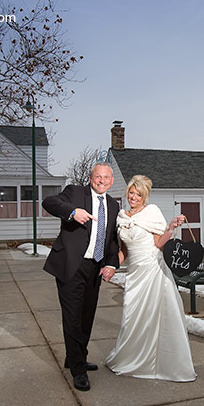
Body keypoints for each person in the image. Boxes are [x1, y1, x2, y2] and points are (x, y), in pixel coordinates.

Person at [105, 174, 196, 382]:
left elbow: (158, 243)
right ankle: (130, 357)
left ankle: (157, 363)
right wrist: (111, 266)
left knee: (154, 317)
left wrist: (171, 228)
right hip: (134, 273)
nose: (134, 197)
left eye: (138, 194)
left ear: (145, 196)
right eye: (131, 192)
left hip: (153, 270)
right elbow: (124, 251)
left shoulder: (152, 212)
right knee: (132, 316)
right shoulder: (121, 217)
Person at [42, 162, 120, 392]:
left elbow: (113, 241)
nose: (102, 180)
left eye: (106, 177)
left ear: (111, 181)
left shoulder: (114, 205)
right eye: (98, 176)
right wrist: (72, 212)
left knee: (87, 316)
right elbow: (49, 202)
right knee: (73, 316)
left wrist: (112, 264)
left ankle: (76, 356)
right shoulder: (75, 193)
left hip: (95, 268)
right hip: (71, 266)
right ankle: (78, 369)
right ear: (90, 177)